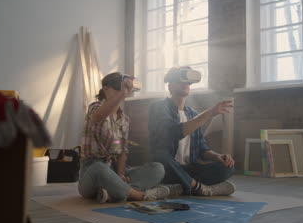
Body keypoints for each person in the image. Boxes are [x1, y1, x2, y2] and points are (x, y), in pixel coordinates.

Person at [78, 72, 170, 203]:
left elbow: (123, 151)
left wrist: (120, 175)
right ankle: (139, 195)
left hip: (115, 171)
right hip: (92, 172)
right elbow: (98, 117)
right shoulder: (95, 107)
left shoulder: (124, 120)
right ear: (106, 89)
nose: (122, 90)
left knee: (157, 168)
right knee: (100, 168)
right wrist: (122, 93)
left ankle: (114, 192)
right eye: (118, 86)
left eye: (124, 87)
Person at [148, 67, 236, 197]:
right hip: (169, 168)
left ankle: (179, 187)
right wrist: (209, 114)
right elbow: (173, 133)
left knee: (227, 168)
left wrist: (217, 156)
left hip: (189, 170)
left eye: (188, 82)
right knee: (162, 157)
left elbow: (202, 149)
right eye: (180, 81)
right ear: (170, 87)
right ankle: (199, 188)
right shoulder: (159, 107)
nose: (185, 85)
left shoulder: (192, 114)